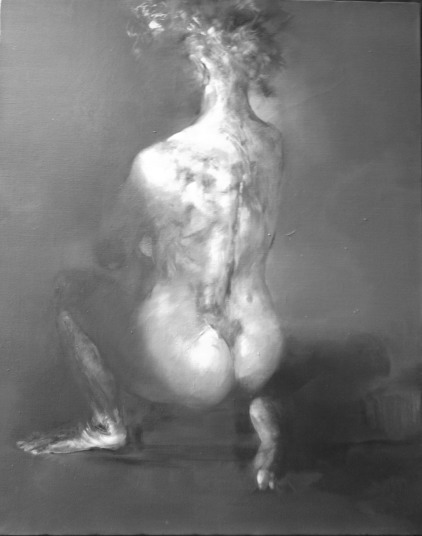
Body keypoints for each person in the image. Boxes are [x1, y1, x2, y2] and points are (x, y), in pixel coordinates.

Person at [18, 0, 286, 491]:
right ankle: (258, 418)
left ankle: (107, 424)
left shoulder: (159, 160)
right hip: (260, 347)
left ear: (202, 63)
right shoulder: (272, 145)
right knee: (233, 308)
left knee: (70, 293)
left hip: (186, 363)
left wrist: (152, 251)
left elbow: (111, 250)